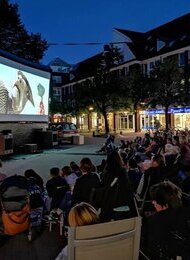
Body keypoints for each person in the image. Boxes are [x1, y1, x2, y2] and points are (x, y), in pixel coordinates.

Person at [142, 180, 190, 259]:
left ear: (165, 203)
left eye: (155, 200)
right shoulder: (185, 212)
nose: (153, 203)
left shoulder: (155, 221)